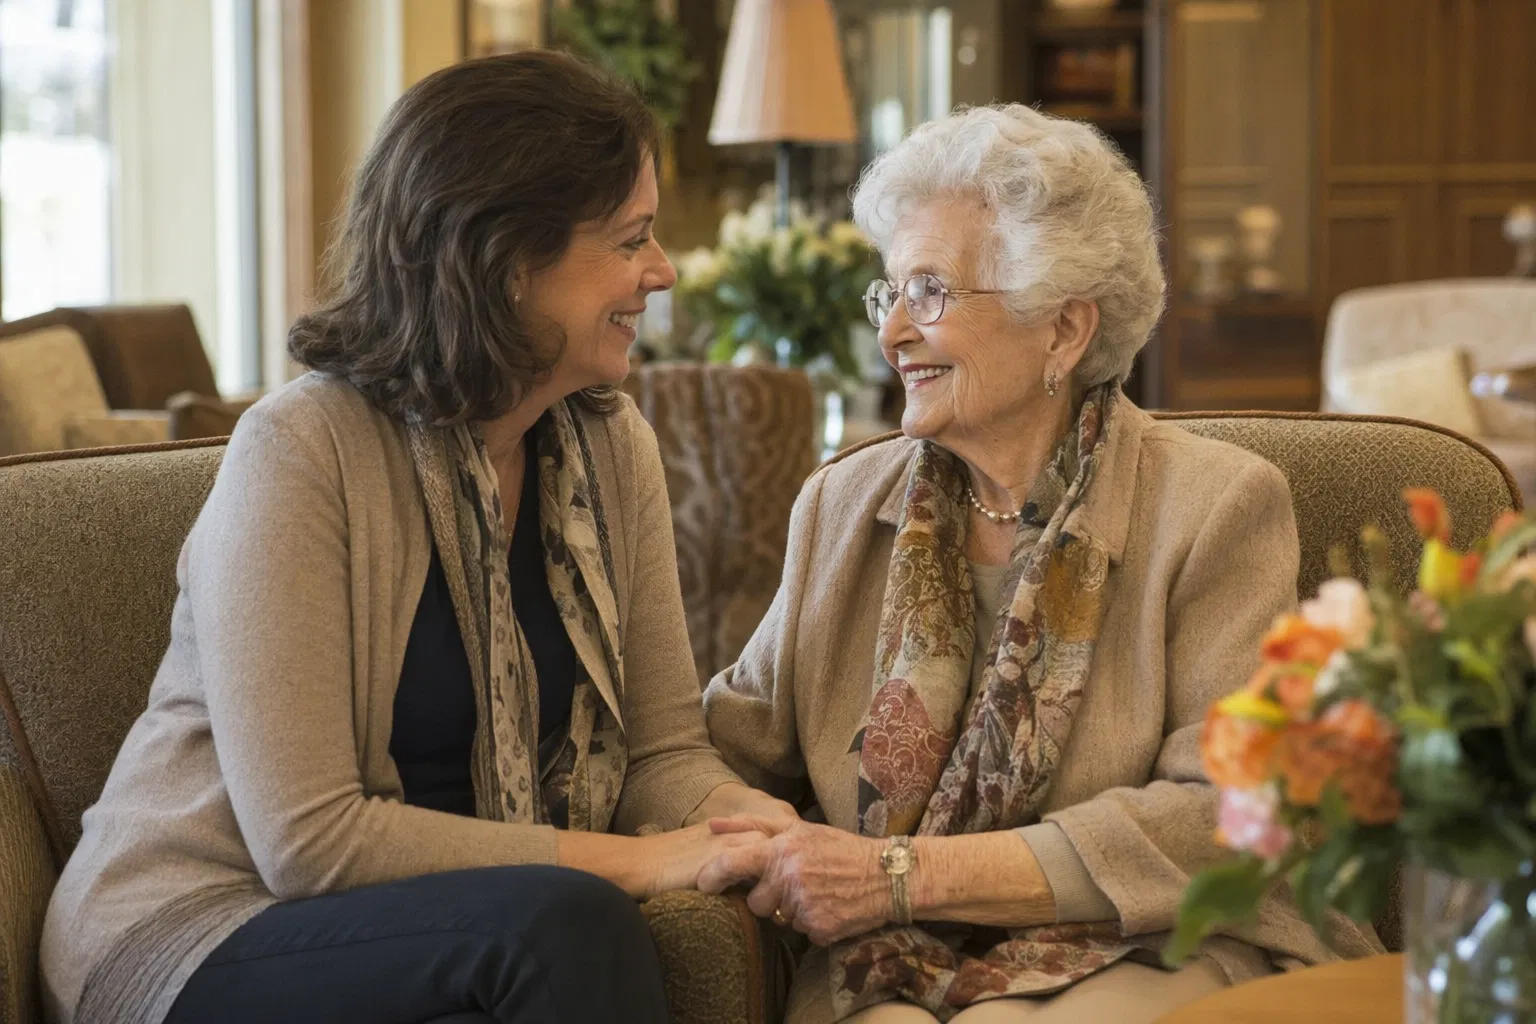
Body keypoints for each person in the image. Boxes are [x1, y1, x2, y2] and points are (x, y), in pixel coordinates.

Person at [39, 51, 790, 1024]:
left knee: (559, 928)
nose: (662, 270)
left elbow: (660, 755)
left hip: (449, 927)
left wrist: (750, 826)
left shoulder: (612, 448)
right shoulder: (301, 452)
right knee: (570, 923)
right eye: (631, 239)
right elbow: (311, 842)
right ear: (507, 263)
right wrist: (641, 861)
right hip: (203, 929)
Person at [697, 104, 1381, 1024]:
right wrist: (778, 848)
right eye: (887, 293)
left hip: (1153, 935)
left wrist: (898, 876)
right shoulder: (841, 505)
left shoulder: (1217, 506)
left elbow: (1222, 816)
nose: (893, 331)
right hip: (889, 961)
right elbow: (720, 743)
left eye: (930, 291)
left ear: (1062, 330)